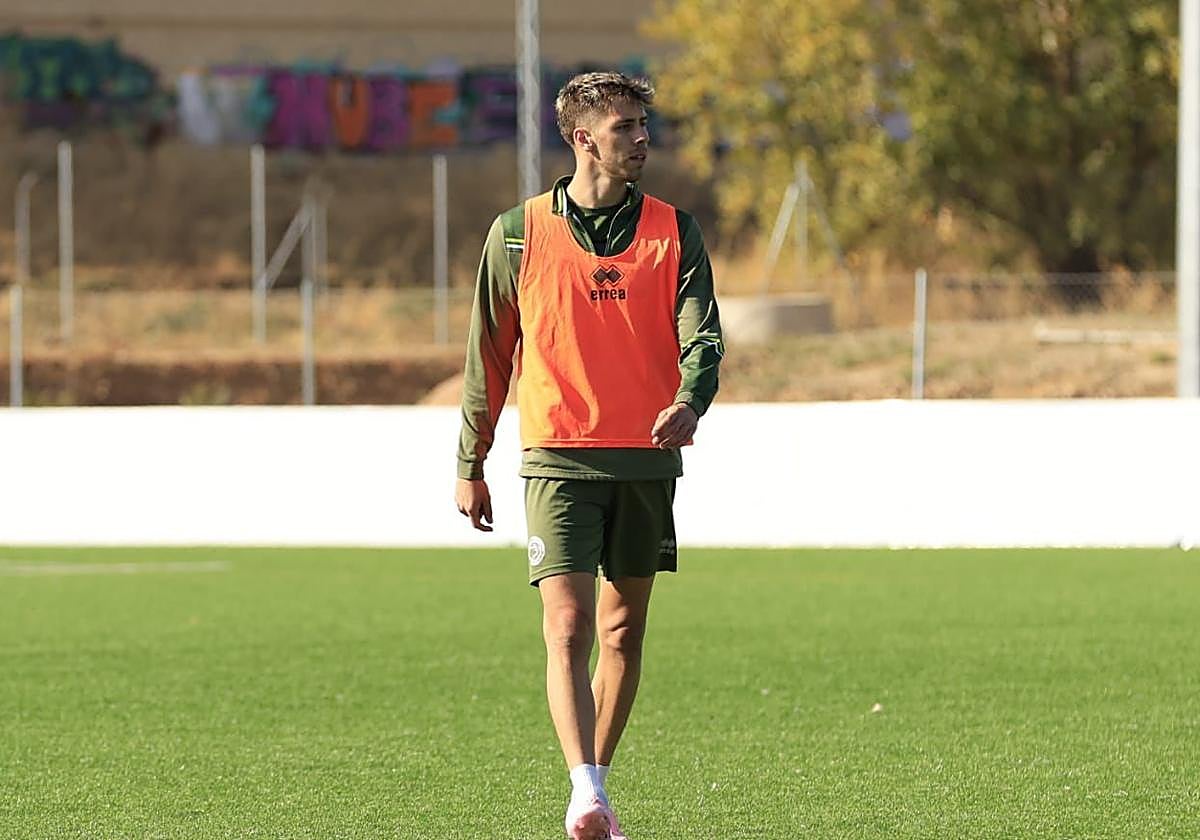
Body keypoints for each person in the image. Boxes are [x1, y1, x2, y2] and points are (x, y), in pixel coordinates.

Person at [454, 71, 723, 840]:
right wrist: (470, 460)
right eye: (626, 127)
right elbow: (489, 358)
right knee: (567, 625)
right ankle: (583, 792)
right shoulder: (515, 233)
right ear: (582, 138)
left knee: (620, 633)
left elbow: (703, 335)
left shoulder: (676, 230)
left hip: (644, 460)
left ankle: (599, 783)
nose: (643, 139)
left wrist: (689, 400)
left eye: (644, 125)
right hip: (557, 458)